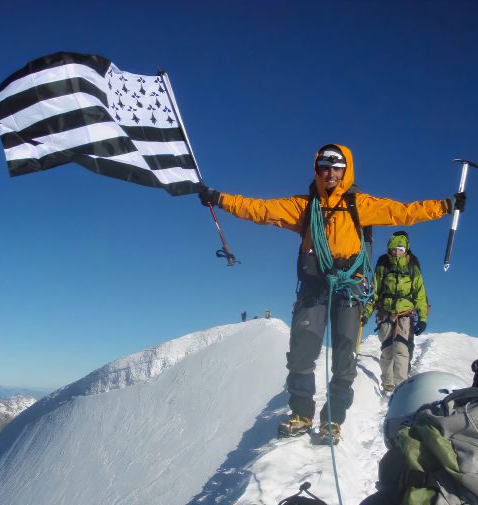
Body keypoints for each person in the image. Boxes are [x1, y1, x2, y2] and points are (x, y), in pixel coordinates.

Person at [199, 144, 464, 442]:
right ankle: (301, 414)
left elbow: (402, 212)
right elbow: (260, 209)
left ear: (346, 170)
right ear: (317, 169)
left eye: (337, 168)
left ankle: (332, 420)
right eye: (325, 167)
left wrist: (444, 206)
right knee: (301, 352)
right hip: (314, 287)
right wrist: (220, 199)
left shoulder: (360, 205)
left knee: (345, 356)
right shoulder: (304, 206)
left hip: (348, 288)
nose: (330, 173)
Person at [363, 231, 429, 393]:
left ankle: (400, 386)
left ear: (406, 249)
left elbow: (420, 294)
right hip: (385, 313)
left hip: (404, 314)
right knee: (386, 349)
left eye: (400, 249)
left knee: (401, 349)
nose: (396, 252)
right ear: (389, 249)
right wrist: (366, 313)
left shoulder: (412, 267)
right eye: (393, 249)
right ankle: (387, 382)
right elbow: (375, 292)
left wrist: (422, 318)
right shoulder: (383, 266)